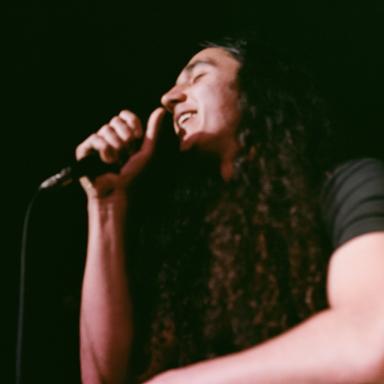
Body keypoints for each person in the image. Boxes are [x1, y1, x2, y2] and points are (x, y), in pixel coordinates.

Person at [76, 36, 384, 384]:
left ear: (257, 91)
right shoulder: (193, 245)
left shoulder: (348, 186)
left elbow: (372, 335)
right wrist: (106, 203)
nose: (168, 98)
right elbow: (101, 379)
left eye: (197, 77)